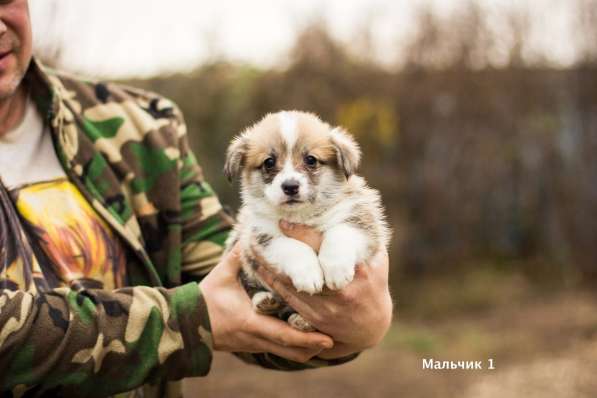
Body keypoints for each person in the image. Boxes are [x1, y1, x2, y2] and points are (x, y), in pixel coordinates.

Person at [0, 1, 393, 397]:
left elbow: (234, 292)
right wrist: (187, 319)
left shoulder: (145, 126)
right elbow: (214, 311)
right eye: (270, 164)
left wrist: (346, 330)